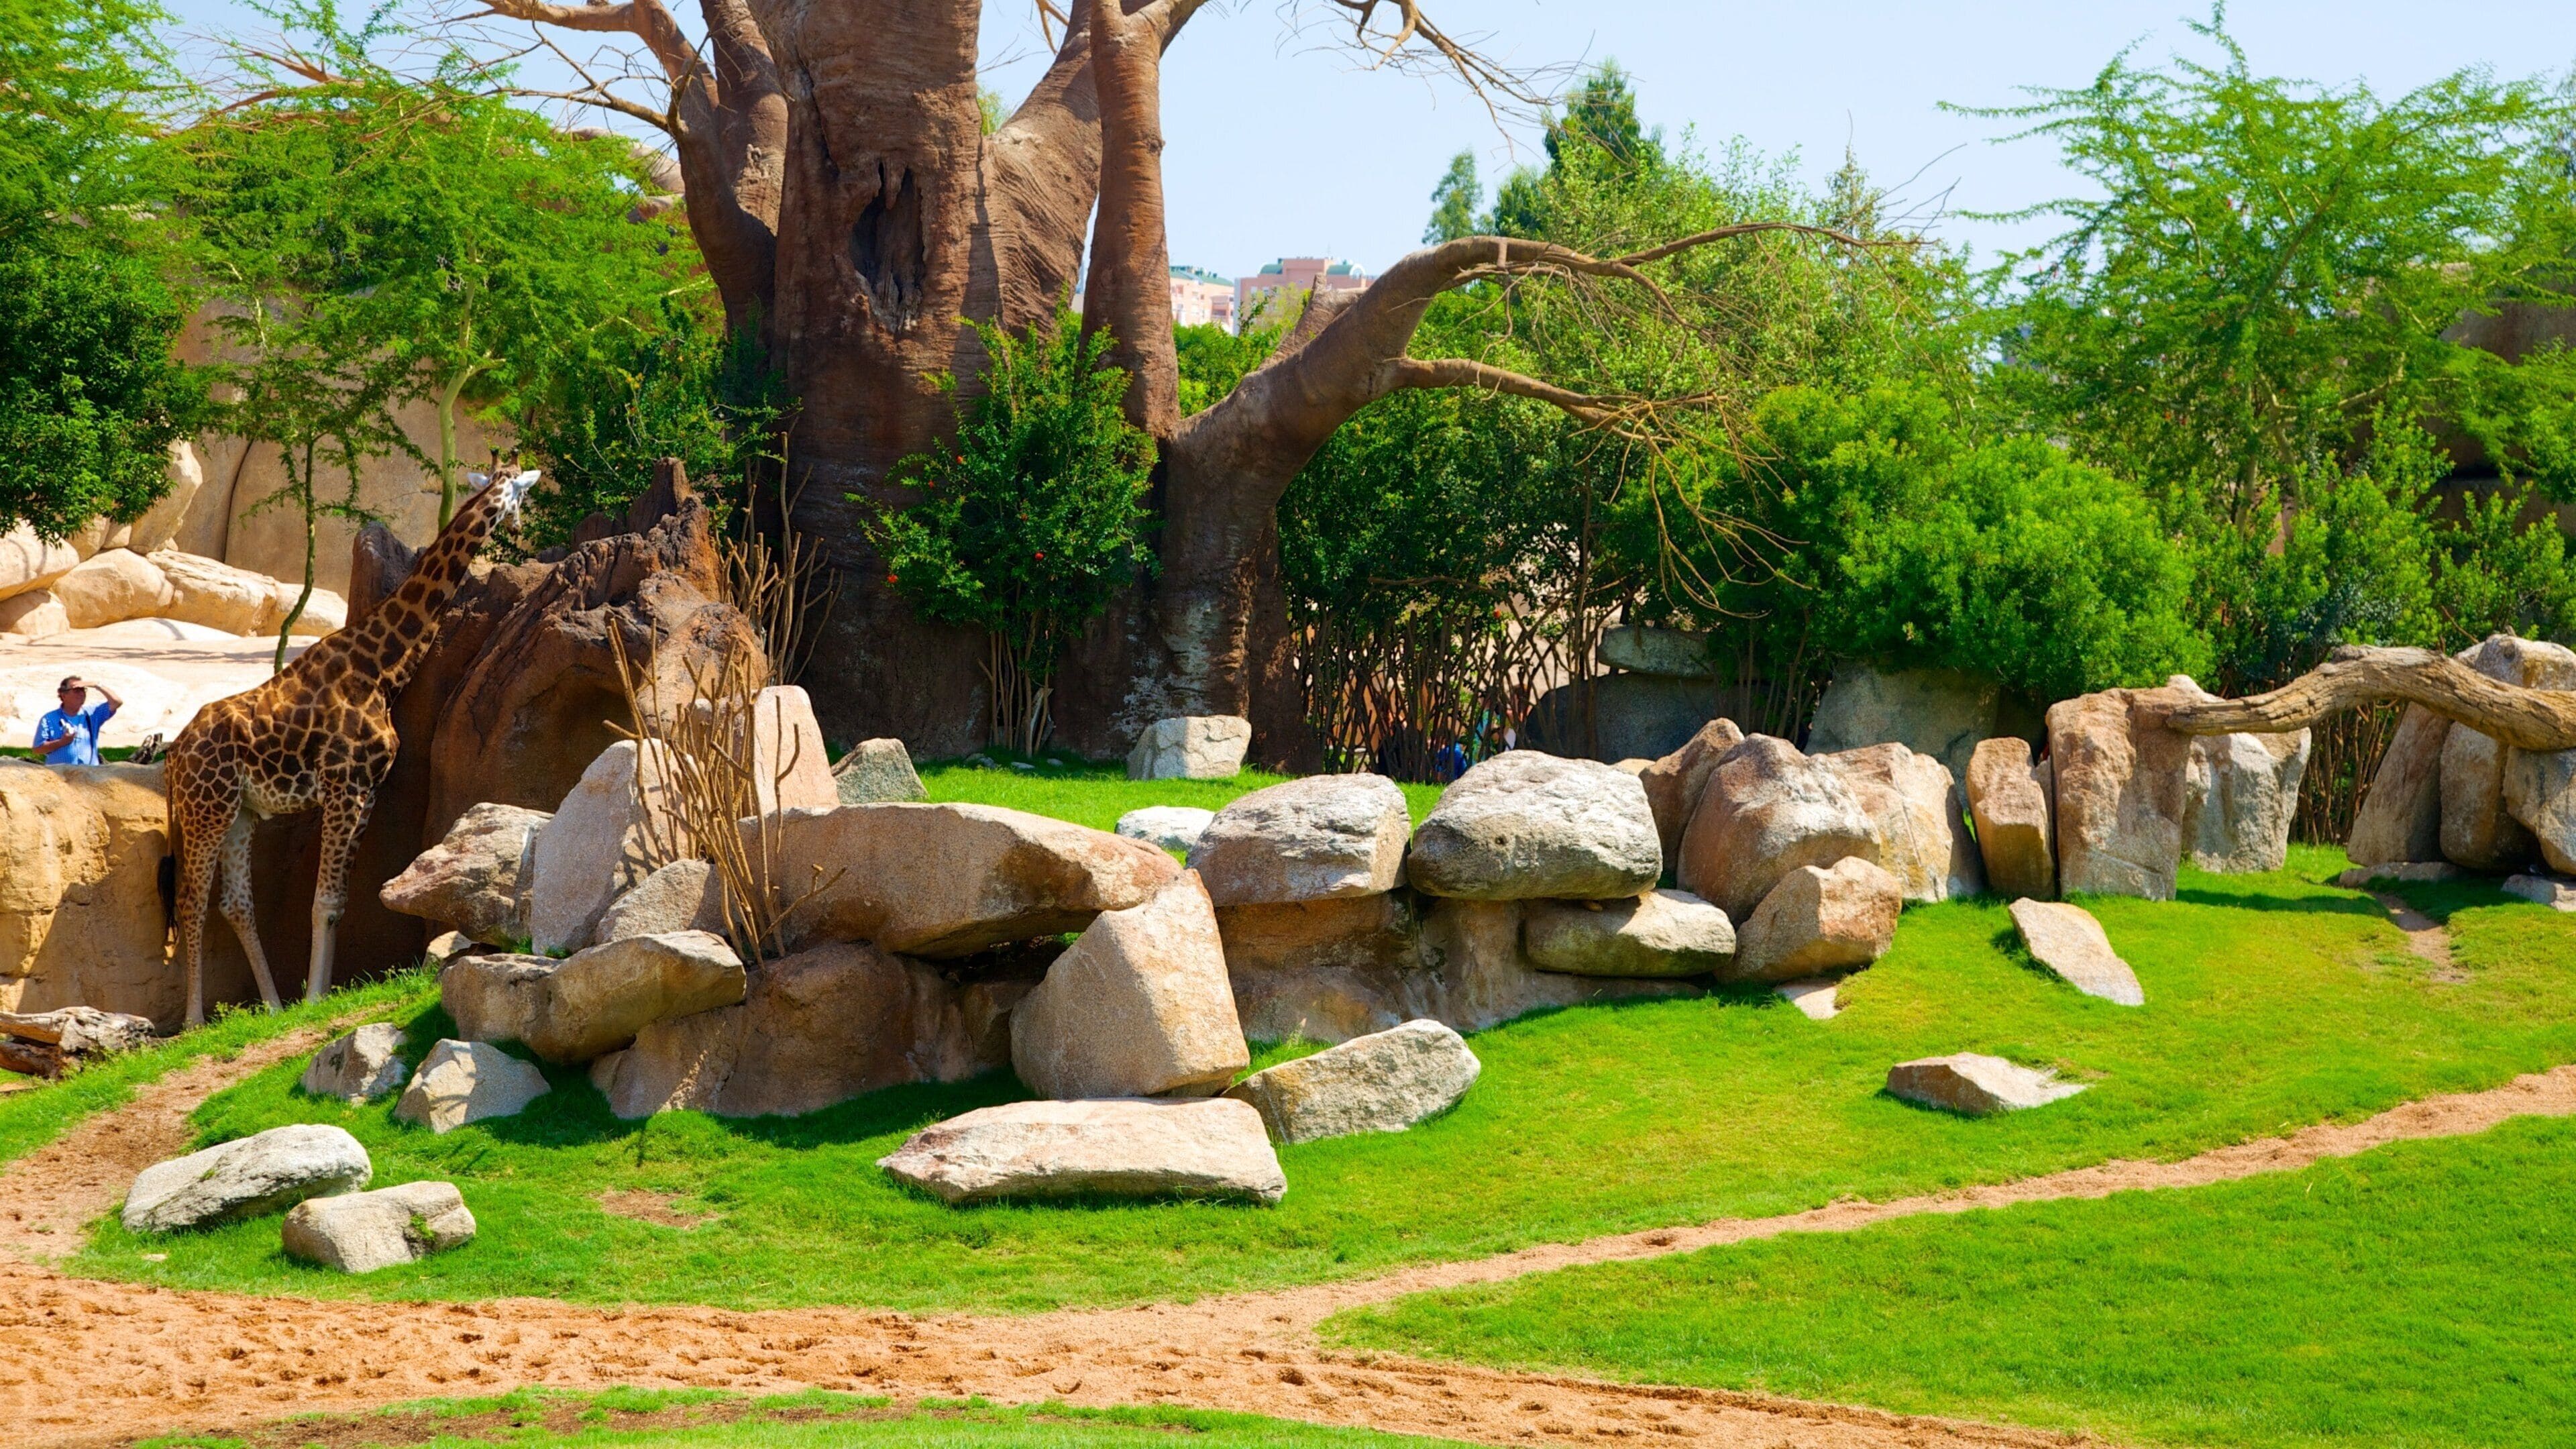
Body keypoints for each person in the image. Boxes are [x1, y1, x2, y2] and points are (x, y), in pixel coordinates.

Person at [33, 676, 122, 766]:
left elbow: (117, 702)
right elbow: (38, 749)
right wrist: (61, 742)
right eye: (77, 691)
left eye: (83, 690)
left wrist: (96, 684)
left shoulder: (93, 714)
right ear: (64, 695)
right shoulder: (49, 718)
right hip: (60, 776)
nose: (82, 694)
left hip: (90, 775)